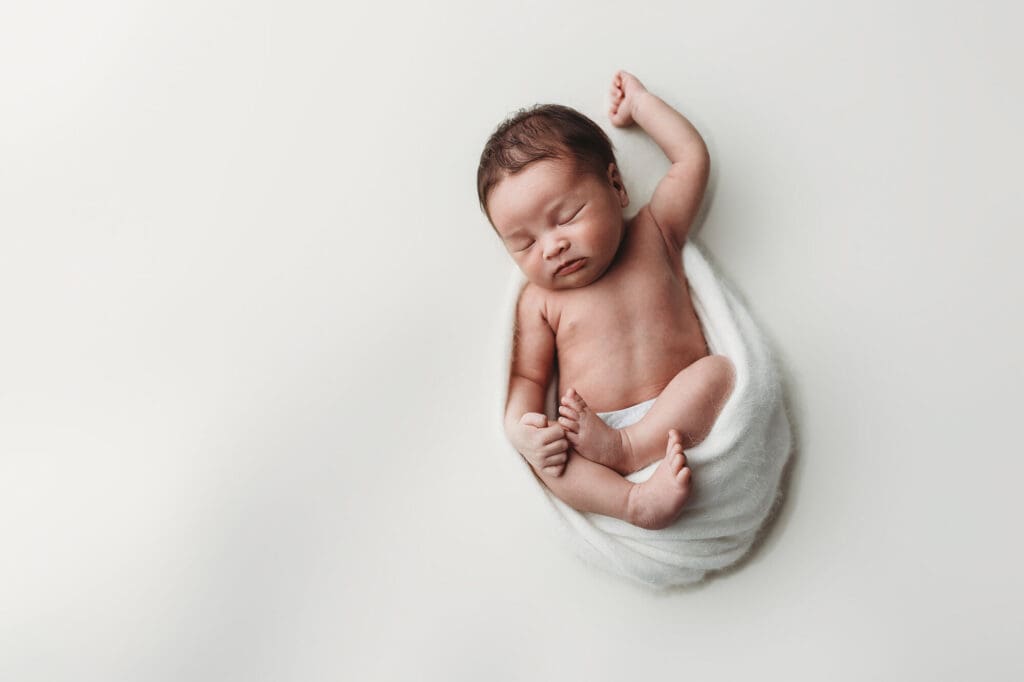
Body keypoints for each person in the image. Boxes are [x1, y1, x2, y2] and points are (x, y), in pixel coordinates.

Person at [478, 71, 735, 530]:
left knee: (717, 373)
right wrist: (522, 431)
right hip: (592, 430)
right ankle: (632, 503)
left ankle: (632, 449)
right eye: (523, 243)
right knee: (553, 464)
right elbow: (526, 376)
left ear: (616, 187)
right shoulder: (539, 301)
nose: (552, 246)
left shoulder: (654, 233)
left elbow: (690, 159)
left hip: (674, 411)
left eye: (567, 216)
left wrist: (640, 105)